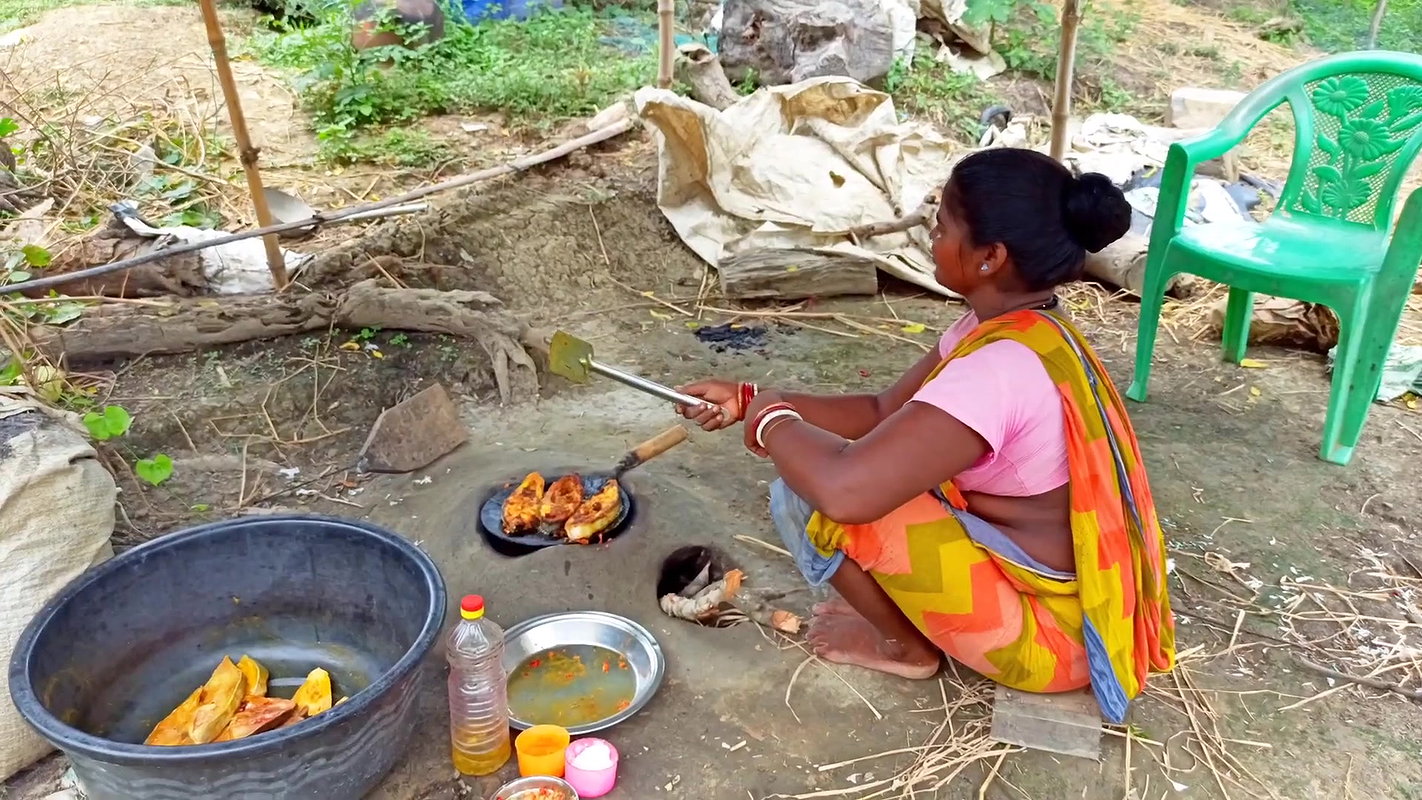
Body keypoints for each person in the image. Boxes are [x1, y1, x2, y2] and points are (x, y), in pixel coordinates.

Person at [675, 148, 1176, 723]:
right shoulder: (1018, 330)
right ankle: (921, 618)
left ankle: (906, 648)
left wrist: (772, 419)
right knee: (839, 467)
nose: (931, 238)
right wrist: (750, 398)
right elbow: (883, 409)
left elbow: (845, 493)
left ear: (990, 257)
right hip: (1055, 600)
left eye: (942, 227)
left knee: (815, 495)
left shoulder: (997, 370)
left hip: (1049, 641)